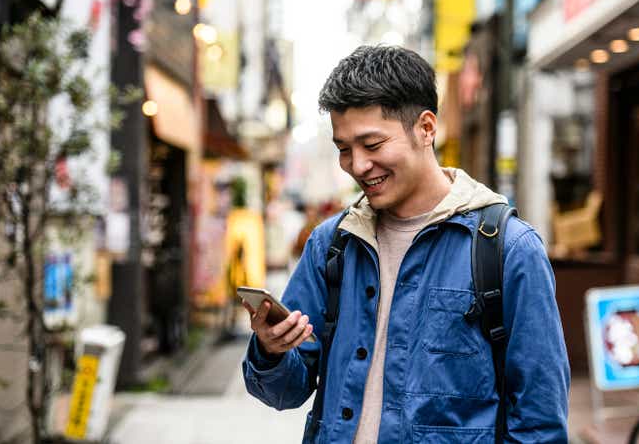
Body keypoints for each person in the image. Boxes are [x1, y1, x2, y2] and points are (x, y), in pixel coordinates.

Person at [242, 46, 570, 443]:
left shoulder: (508, 250)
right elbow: (286, 392)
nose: (357, 165)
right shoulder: (332, 245)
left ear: (426, 128)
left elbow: (540, 421)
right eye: (344, 149)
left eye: (373, 145)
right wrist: (271, 350)